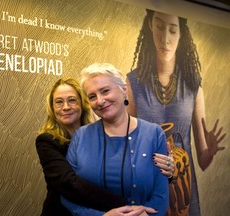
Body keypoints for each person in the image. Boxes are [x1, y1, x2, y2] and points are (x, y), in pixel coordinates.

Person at [126, 9, 226, 216]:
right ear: (150, 26)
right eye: (160, 27)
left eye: (173, 30)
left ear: (181, 34)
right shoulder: (134, 82)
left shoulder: (193, 86)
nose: (165, 39)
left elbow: (203, 161)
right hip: (148, 185)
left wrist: (211, 150)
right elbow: (128, 147)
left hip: (184, 190)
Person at [62, 63, 169, 216]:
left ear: (123, 90)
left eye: (105, 91)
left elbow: (161, 195)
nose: (99, 101)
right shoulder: (81, 137)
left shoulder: (153, 134)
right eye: (92, 96)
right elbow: (68, 195)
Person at [36, 77, 149, 216]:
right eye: (59, 102)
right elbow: (68, 183)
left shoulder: (101, 135)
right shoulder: (46, 141)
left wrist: (164, 168)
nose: (65, 107)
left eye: (72, 100)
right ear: (52, 108)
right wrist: (125, 205)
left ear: (83, 104)